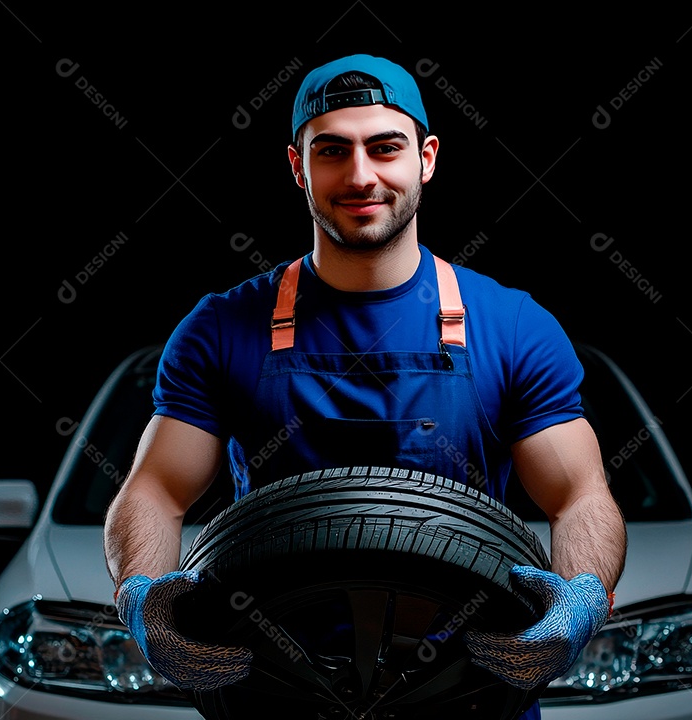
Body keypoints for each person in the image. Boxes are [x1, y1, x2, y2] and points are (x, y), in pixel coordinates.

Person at [104, 54, 627, 718]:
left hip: (469, 689)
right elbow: (155, 489)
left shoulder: (516, 327)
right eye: (331, 151)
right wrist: (142, 596)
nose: (360, 176)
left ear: (427, 157)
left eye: (385, 148)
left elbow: (579, 495)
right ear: (298, 166)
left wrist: (580, 598)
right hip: (274, 688)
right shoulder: (221, 329)